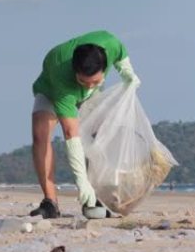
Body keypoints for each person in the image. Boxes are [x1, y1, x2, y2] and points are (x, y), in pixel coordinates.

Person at [29, 30, 140, 219]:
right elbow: (71, 133)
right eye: (83, 81)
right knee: (40, 134)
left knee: (99, 134)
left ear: (104, 67)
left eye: (94, 81)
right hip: (52, 91)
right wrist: (81, 182)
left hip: (89, 99)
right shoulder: (60, 73)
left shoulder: (109, 43)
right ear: (74, 71)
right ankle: (50, 202)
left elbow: (121, 54)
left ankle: (99, 197)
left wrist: (127, 72)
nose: (88, 85)